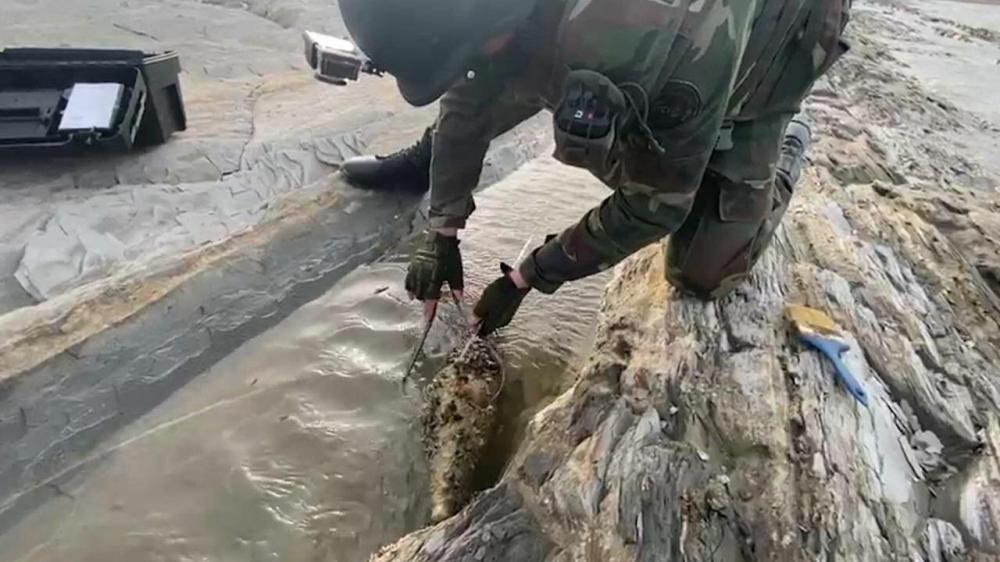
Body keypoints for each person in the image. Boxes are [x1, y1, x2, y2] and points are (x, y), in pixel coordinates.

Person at [337, 0, 851, 336]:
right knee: (500, 75)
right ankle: (427, 161)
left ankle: (785, 146)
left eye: (465, 56)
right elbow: (470, 92)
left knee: (700, 275)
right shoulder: (490, 23)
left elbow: (654, 207)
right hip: (589, 40)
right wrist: (443, 229)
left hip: (774, 41)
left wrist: (529, 275)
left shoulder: (649, 40)